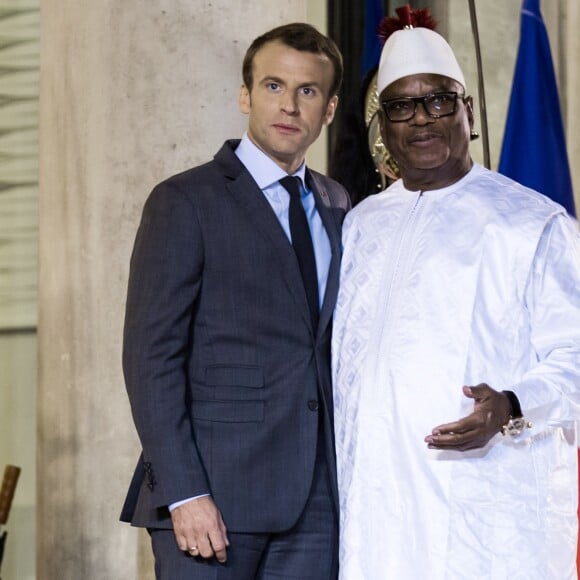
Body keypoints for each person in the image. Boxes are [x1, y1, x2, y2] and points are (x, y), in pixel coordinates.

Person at [332, 23, 580, 579]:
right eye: (401, 106)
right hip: (377, 518)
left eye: (438, 100)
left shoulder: (532, 223)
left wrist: (512, 404)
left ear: (467, 109)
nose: (421, 118)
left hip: (488, 518)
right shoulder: (360, 226)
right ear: (382, 125)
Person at [120, 22, 350, 580]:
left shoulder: (339, 204)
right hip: (212, 496)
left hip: (316, 503)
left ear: (330, 108)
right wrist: (184, 492)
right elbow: (151, 359)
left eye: (308, 91)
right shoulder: (184, 201)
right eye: (273, 86)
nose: (289, 106)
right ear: (245, 95)